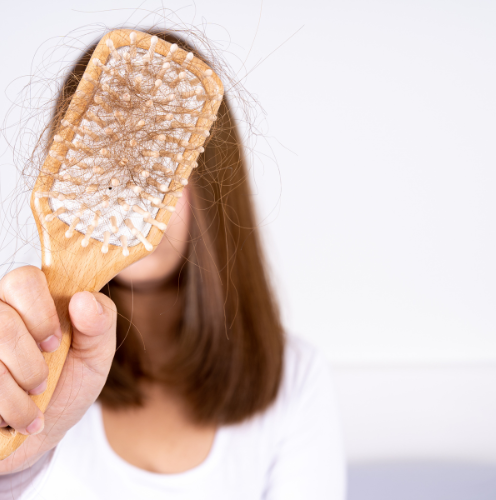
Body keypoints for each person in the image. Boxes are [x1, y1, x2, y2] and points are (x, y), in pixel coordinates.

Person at [0, 30, 345, 499]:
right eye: (103, 161)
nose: (123, 191)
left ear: (211, 179)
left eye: (152, 164)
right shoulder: (22, 373)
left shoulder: (297, 380)